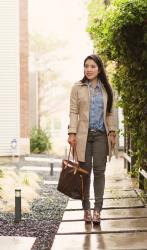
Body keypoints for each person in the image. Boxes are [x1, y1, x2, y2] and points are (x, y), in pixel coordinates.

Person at [67, 54, 116, 225]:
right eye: (86, 66)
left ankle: (98, 210)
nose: (88, 69)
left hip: (101, 135)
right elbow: (73, 112)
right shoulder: (77, 87)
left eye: (92, 66)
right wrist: (72, 133)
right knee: (85, 173)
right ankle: (86, 209)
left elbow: (109, 114)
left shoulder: (107, 89)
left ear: (99, 69)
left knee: (100, 172)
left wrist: (112, 132)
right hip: (83, 136)